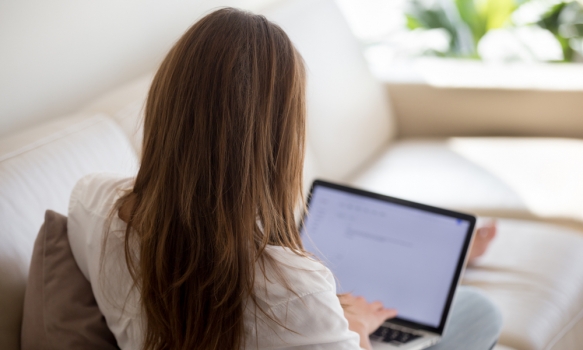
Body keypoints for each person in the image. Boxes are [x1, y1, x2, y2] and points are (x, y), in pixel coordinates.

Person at [67, 8, 502, 350]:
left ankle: (444, 264)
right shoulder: (293, 289)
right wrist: (356, 327)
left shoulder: (90, 202)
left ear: (167, 104)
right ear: (277, 137)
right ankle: (437, 273)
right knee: (477, 311)